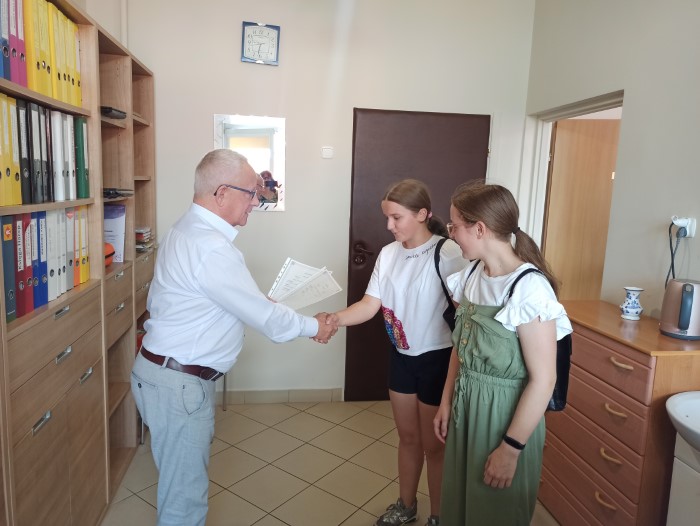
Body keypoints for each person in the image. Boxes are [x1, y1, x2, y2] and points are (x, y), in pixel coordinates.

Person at [131, 149, 337, 526]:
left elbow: (215, 297)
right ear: (222, 192)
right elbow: (267, 320)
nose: (256, 202)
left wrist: (256, 302)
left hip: (161, 375)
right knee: (184, 503)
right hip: (178, 385)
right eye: (251, 193)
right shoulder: (210, 246)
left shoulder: (187, 229)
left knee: (178, 487)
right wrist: (315, 326)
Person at [328, 179, 468, 526]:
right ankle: (406, 506)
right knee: (408, 438)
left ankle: (439, 515)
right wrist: (334, 319)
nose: (389, 226)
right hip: (402, 358)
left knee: (435, 446)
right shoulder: (389, 254)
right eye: (387, 218)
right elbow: (370, 304)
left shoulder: (447, 253)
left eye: (396, 218)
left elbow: (465, 317)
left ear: (422, 214)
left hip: (437, 359)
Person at [433, 181, 572, 525]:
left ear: (479, 229)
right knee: (461, 506)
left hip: (504, 418)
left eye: (454, 226)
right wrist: (446, 401)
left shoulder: (528, 289)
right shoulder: (471, 275)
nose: (451, 234)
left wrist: (510, 449)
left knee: (493, 513)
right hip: (467, 407)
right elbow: (461, 346)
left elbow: (544, 380)